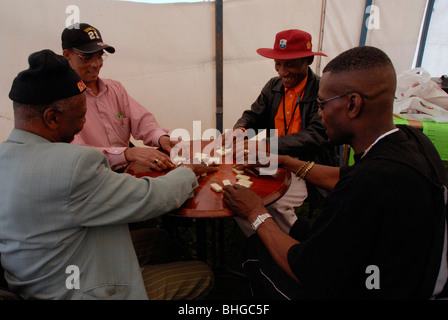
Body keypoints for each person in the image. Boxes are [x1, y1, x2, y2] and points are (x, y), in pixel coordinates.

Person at [223, 46, 448, 299]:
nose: (319, 113)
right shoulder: (409, 142)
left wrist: (256, 212)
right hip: (399, 265)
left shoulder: (369, 185)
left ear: (352, 104)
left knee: (258, 247)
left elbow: (307, 271)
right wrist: (284, 160)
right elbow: (344, 176)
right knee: (294, 230)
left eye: (321, 105)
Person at [0, 49, 216, 300]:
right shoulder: (74, 165)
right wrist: (188, 171)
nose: (83, 124)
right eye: (80, 117)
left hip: (33, 279)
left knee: (159, 239)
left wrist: (160, 138)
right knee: (202, 274)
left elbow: (143, 121)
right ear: (51, 118)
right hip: (76, 290)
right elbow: (151, 197)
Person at [221, 29, 338, 236]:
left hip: (306, 168)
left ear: (308, 60)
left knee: (274, 203)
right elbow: (253, 115)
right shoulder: (273, 86)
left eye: (290, 63)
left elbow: (317, 136)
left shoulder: (322, 89)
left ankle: (291, 243)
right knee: (240, 194)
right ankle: (261, 241)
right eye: (278, 63)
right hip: (273, 161)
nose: (282, 71)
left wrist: (268, 146)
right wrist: (239, 131)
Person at [61, 23, 175, 172]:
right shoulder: (62, 101)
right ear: (67, 56)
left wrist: (161, 138)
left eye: (100, 57)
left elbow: (142, 121)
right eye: (87, 58)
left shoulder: (115, 89)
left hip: (128, 169)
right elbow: (79, 154)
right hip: (94, 176)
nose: (96, 65)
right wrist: (127, 153)